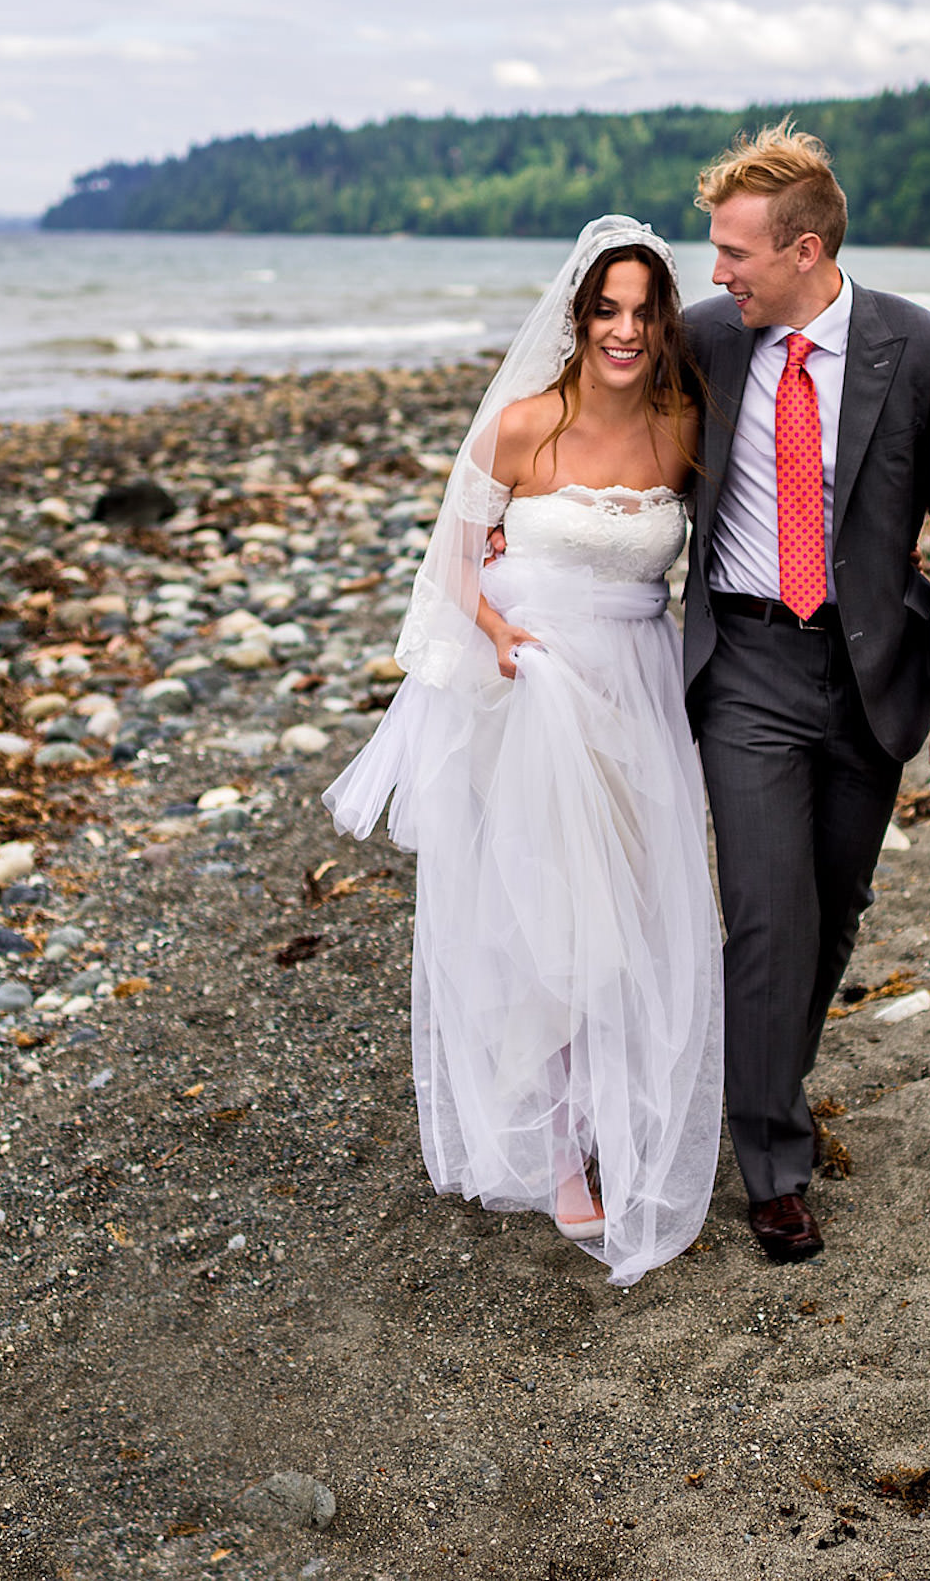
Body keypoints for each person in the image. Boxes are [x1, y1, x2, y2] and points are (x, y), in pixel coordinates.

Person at [325, 216, 724, 1287]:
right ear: (579, 317)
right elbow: (453, 552)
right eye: (608, 310)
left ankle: (616, 1113)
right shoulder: (521, 428)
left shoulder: (684, 430)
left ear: (662, 321)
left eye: (644, 312)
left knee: (635, 903)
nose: (625, 331)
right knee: (550, 912)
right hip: (537, 695)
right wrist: (496, 630)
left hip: (638, 692)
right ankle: (558, 1148)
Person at [681, 123, 930, 1264]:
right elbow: (610, 439)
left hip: (872, 673)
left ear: (805, 249)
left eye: (733, 251)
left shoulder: (922, 350)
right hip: (746, 669)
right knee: (766, 910)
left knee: (831, 906)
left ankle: (766, 1073)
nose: (715, 271)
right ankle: (772, 1159)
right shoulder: (702, 342)